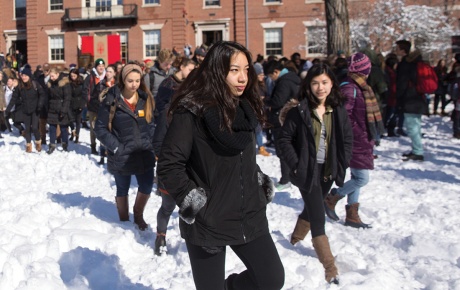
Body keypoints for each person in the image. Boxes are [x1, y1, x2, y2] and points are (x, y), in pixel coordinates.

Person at [157, 41, 284, 290]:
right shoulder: (191, 112)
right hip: (208, 220)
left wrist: (257, 179)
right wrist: (193, 202)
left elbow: (241, 158)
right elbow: (169, 165)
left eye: (246, 70)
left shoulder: (245, 109)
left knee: (271, 279)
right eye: (234, 70)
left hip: (249, 213)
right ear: (217, 70)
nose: (243, 78)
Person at [278, 63, 352, 284]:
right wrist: (296, 164)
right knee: (318, 217)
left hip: (329, 171)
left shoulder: (337, 109)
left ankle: (294, 239)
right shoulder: (299, 111)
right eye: (315, 83)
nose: (320, 87)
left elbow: (347, 139)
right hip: (307, 172)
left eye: (325, 82)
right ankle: (330, 268)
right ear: (308, 85)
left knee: (313, 208)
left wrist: (343, 162)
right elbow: (284, 140)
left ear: (332, 84)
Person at [324, 52, 384, 229]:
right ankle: (332, 197)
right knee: (362, 179)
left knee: (357, 176)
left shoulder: (360, 86)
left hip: (362, 139)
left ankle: (352, 215)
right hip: (356, 140)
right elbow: (343, 116)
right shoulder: (350, 88)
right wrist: (354, 134)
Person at [94, 62, 156, 231]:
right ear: (123, 80)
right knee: (123, 187)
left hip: (143, 151)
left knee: (147, 185)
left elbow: (151, 123)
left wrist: (150, 142)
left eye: (137, 80)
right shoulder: (112, 99)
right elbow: (99, 128)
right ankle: (123, 219)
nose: (134, 84)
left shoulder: (145, 98)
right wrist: (116, 147)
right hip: (121, 153)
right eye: (130, 81)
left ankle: (138, 215)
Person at [152, 56, 196, 255]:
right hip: (171, 168)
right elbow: (158, 143)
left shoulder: (196, 114)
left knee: (188, 206)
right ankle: (160, 236)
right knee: (167, 205)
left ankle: (188, 237)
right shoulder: (167, 113)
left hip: (190, 169)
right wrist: (166, 165)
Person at [264, 59, 301, 190]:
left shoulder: (284, 82)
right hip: (289, 119)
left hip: (281, 120)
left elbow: (278, 101)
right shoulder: (291, 78)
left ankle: (286, 179)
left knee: (283, 150)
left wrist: (267, 101)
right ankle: (290, 176)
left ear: (276, 72)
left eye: (270, 75)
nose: (271, 79)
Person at [394, 40, 427, 161]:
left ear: (403, 50)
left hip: (410, 100)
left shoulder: (405, 64)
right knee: (416, 126)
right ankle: (416, 149)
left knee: (412, 127)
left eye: (397, 48)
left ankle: (418, 151)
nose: (396, 50)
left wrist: (398, 97)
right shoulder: (416, 63)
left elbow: (402, 83)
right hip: (417, 98)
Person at [5, 67, 45, 152]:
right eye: (22, 75)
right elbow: (13, 98)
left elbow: (42, 94)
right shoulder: (20, 86)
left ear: (29, 76)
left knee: (34, 128)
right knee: (27, 129)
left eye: (26, 75)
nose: (24, 77)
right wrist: (8, 109)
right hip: (25, 110)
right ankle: (28, 145)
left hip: (35, 110)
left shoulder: (35, 84)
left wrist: (40, 105)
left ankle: (38, 142)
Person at [82, 58, 106, 155]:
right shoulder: (90, 77)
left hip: (104, 107)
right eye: (99, 66)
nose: (101, 68)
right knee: (93, 127)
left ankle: (103, 147)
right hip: (93, 106)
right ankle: (93, 146)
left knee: (103, 128)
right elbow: (84, 90)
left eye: (103, 66)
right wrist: (88, 101)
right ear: (96, 67)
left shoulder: (106, 77)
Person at [46, 67, 72, 154]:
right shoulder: (50, 84)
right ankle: (52, 145)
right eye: (50, 76)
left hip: (61, 108)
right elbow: (48, 97)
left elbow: (67, 98)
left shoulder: (65, 84)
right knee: (52, 128)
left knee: (63, 128)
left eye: (53, 76)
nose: (51, 78)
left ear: (57, 74)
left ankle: (65, 144)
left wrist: (64, 110)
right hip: (52, 108)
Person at [97, 64, 118, 165]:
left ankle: (112, 154)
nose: (108, 73)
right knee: (104, 133)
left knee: (113, 134)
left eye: (110, 71)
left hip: (115, 112)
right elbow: (98, 97)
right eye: (107, 71)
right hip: (104, 110)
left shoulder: (118, 84)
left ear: (114, 73)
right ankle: (102, 155)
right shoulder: (102, 83)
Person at [68, 68, 86, 144]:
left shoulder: (82, 83)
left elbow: (84, 95)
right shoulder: (69, 83)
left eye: (74, 76)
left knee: (78, 120)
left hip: (79, 103)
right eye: (71, 76)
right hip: (71, 103)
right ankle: (73, 132)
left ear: (77, 75)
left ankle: (77, 136)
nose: (73, 77)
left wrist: (82, 105)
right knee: (70, 119)